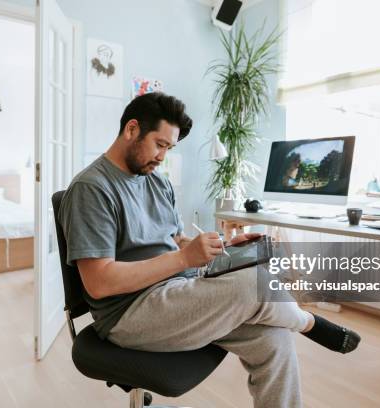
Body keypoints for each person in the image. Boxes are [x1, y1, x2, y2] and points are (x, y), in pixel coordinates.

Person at [58, 92, 360, 408]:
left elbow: (175, 241)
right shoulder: (92, 190)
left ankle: (294, 324)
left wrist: (221, 247)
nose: (162, 157)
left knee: (275, 339)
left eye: (169, 149)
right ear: (132, 129)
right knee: (251, 285)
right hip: (130, 313)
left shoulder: (156, 182)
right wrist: (183, 259)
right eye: (159, 145)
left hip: (181, 291)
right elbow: (100, 282)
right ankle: (308, 322)